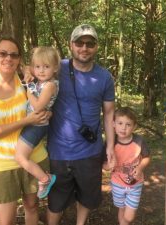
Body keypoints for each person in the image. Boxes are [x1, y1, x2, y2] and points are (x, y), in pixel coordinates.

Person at [0, 37, 50, 225]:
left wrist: (45, 114)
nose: (8, 58)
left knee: (32, 207)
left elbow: (46, 93)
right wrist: (26, 120)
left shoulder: (25, 80)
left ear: (19, 59)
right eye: (2, 53)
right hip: (2, 164)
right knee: (6, 221)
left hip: (33, 157)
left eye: (14, 55)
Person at [47, 24, 116, 225]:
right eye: (79, 43)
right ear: (71, 45)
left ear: (96, 47)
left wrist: (110, 146)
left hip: (90, 151)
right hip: (59, 150)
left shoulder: (104, 77)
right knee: (56, 200)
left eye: (90, 43)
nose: (84, 48)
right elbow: (36, 68)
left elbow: (109, 112)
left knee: (87, 197)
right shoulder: (57, 69)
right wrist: (26, 70)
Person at [15, 46, 60, 199]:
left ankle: (45, 179)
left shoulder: (50, 85)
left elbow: (38, 106)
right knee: (21, 155)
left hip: (37, 125)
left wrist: (28, 89)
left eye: (46, 67)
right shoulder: (40, 81)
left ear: (55, 68)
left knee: (20, 157)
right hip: (32, 124)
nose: (41, 71)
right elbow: (26, 66)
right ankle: (43, 178)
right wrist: (28, 72)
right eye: (38, 67)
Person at [103, 107, 150, 225]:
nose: (123, 128)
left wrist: (140, 168)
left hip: (135, 184)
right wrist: (109, 165)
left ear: (134, 127)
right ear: (113, 124)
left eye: (128, 124)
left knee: (129, 217)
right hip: (117, 183)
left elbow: (147, 157)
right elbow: (104, 165)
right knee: (122, 208)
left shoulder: (139, 141)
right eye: (120, 123)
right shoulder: (110, 143)